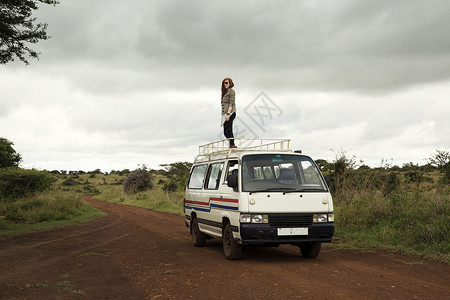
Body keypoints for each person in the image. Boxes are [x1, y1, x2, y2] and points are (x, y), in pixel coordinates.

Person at [221, 77, 237, 148]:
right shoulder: (225, 92)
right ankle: (231, 144)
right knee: (225, 131)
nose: (225, 84)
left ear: (230, 83)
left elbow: (231, 103)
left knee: (229, 130)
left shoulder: (231, 91)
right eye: (224, 83)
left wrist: (228, 114)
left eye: (226, 83)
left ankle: (232, 145)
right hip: (225, 114)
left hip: (230, 113)